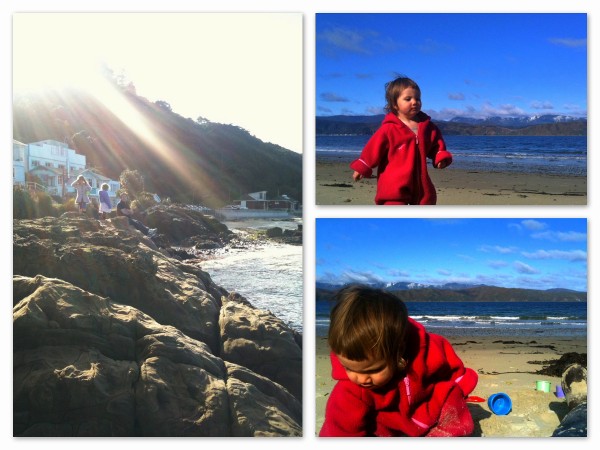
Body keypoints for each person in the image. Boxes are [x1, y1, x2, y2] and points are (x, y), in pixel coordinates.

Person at [319, 285, 478, 437]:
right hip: (388, 424)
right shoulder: (350, 390)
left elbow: (449, 364)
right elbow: (339, 430)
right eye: (348, 368)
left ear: (399, 351)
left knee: (450, 393)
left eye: (373, 370)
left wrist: (461, 384)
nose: (360, 379)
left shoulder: (424, 349)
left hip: (424, 407)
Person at [350, 76, 453, 205]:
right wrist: (362, 166)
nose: (414, 102)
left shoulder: (427, 127)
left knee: (426, 201)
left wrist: (440, 157)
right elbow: (373, 149)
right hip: (394, 185)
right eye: (408, 99)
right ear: (394, 104)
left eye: (417, 98)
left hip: (420, 183)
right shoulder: (389, 129)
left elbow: (436, 144)